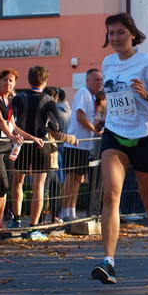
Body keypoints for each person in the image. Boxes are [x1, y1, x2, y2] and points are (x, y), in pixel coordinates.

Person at [91, 13, 148, 285]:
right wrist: (105, 116)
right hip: (115, 134)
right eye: (111, 33)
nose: (115, 38)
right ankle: (109, 262)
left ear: (133, 35)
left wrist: (147, 95)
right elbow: (114, 97)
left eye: (121, 33)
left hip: (146, 136)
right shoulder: (107, 63)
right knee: (110, 196)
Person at [11, 66, 77, 240]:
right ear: (45, 81)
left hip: (21, 144)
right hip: (41, 145)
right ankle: (33, 228)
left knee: (18, 182)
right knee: (38, 188)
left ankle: (16, 220)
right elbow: (56, 126)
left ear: (29, 79)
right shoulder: (48, 100)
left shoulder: (18, 98)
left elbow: (11, 121)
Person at [0, 69, 39, 230]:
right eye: (5, 80)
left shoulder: (9, 101)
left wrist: (32, 138)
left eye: (11, 80)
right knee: (1, 184)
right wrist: (11, 136)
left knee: (4, 187)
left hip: (7, 148)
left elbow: (13, 126)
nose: (8, 83)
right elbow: (0, 120)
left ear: (15, 84)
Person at [61, 68, 104, 221]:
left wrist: (96, 125)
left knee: (78, 179)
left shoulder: (92, 97)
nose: (99, 82)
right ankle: (64, 212)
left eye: (101, 79)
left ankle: (71, 211)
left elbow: (87, 118)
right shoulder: (83, 92)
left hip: (84, 145)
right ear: (87, 81)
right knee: (71, 178)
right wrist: (95, 130)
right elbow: (79, 116)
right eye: (96, 79)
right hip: (75, 143)